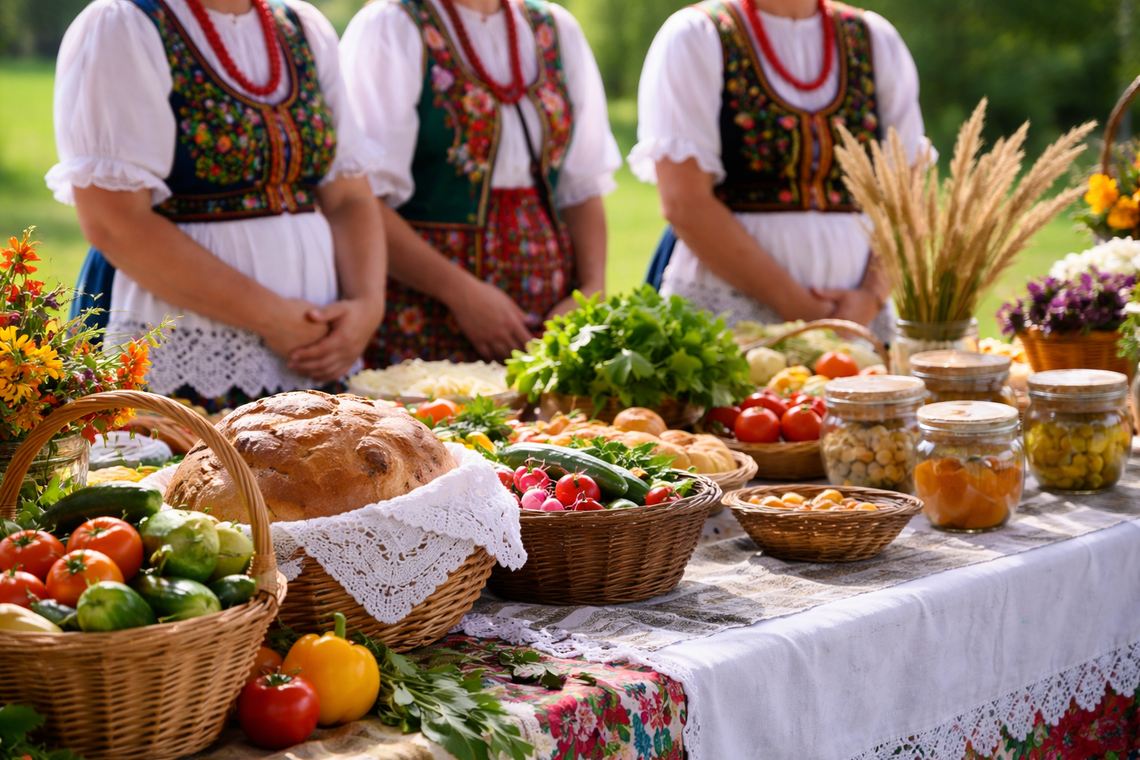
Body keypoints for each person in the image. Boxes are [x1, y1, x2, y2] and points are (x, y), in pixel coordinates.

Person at [49, 0, 388, 410]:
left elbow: (349, 196)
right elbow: (114, 221)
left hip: (314, 351)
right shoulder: (124, 25)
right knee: (171, 472)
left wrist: (367, 306)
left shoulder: (303, 28)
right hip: (176, 344)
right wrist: (271, 317)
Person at [633, 0, 935, 341]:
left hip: (860, 319)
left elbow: (905, 196)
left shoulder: (875, 39)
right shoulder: (697, 36)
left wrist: (869, 296)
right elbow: (684, 202)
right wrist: (805, 311)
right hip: (733, 317)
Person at [340, 0, 621, 365]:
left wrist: (590, 291)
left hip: (549, 317)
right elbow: (359, 198)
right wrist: (461, 293)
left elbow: (581, 186)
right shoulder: (392, 26)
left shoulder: (554, 28)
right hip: (425, 315)